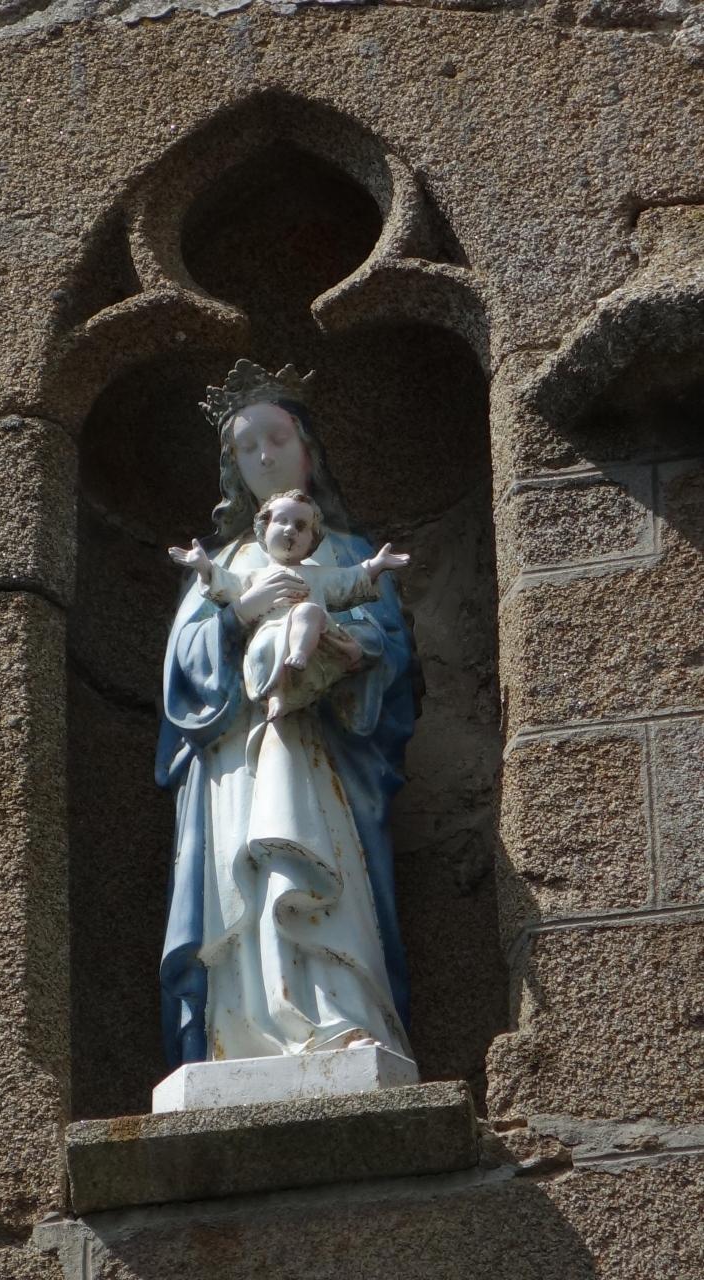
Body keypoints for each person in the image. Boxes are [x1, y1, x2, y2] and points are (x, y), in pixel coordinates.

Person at [157, 360, 419, 1067]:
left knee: (322, 863)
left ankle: (341, 1012)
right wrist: (236, 613)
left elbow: (389, 647)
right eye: (246, 447)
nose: (263, 457)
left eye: (276, 439)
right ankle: (240, 1033)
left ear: (308, 451)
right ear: (231, 469)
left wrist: (354, 652)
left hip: (320, 747)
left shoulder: (347, 555)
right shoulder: (222, 563)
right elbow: (183, 665)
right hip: (235, 753)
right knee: (243, 875)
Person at [168, 489, 410, 721]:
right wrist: (204, 566)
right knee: (262, 647)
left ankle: (303, 654)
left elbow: (348, 580)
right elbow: (225, 583)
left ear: (313, 539)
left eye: (300, 526)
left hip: (316, 635)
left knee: (307, 612)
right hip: (271, 630)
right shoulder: (254, 577)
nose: (290, 530)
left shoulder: (318, 575)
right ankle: (277, 695)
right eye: (281, 521)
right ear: (264, 530)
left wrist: (376, 565)